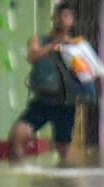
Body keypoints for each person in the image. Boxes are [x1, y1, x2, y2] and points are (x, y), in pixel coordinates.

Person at [8, 1, 80, 165]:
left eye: (66, 16)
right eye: (59, 15)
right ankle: (20, 175)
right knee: (17, 136)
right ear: (53, 18)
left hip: (66, 103)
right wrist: (53, 46)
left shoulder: (77, 46)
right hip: (43, 101)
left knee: (64, 151)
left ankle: (65, 184)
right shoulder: (39, 40)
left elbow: (88, 73)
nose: (62, 19)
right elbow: (32, 56)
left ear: (72, 21)